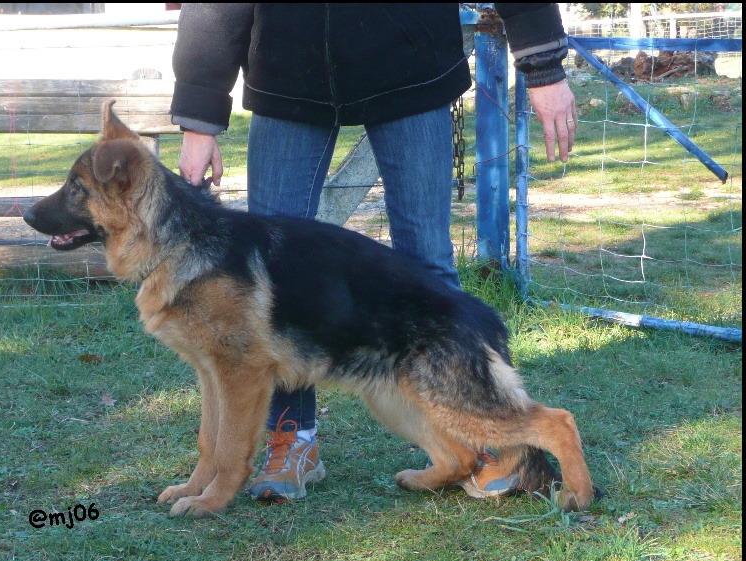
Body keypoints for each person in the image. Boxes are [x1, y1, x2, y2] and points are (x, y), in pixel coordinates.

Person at [170, 3, 578, 503]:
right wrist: (199, 116)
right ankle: (292, 441)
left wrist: (543, 68)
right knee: (276, 288)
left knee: (427, 263)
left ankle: (483, 440)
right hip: (287, 75)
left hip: (411, 68)